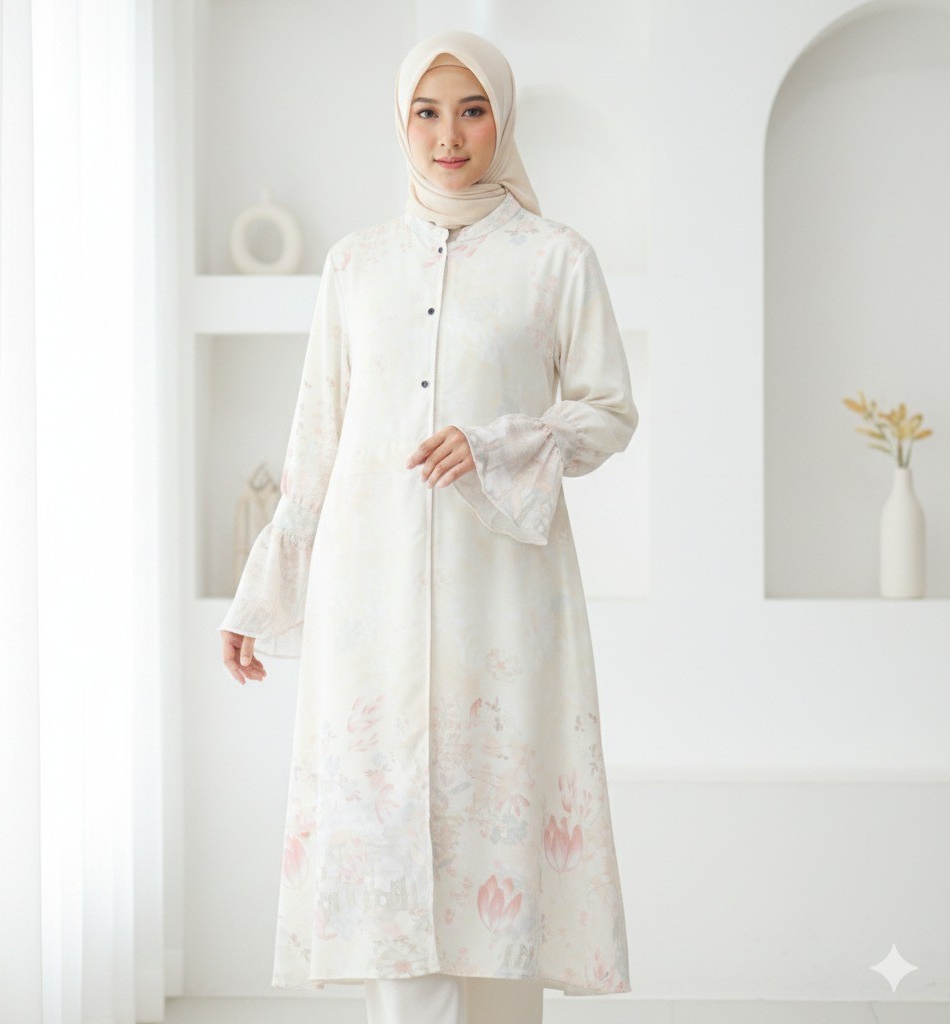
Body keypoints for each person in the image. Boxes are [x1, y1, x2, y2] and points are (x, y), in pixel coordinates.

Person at [219, 29, 637, 1024]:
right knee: (386, 860)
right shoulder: (355, 266)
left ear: (502, 119)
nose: (449, 135)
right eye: (427, 112)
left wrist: (497, 444)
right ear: (401, 123)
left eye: (472, 111)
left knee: (500, 857)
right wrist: (259, 599)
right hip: (369, 606)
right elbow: (316, 438)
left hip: (504, 607)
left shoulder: (556, 260)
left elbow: (607, 412)